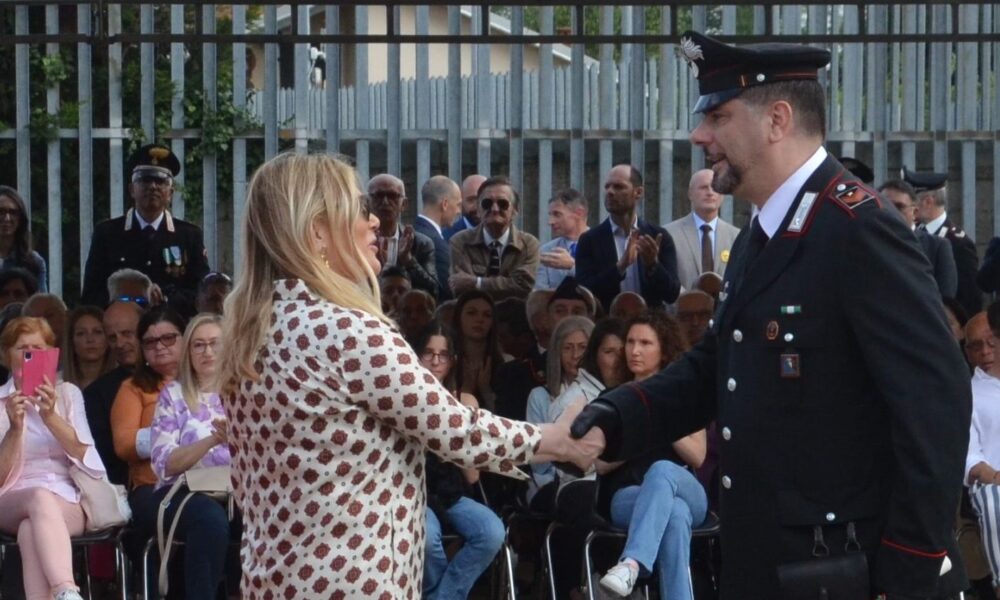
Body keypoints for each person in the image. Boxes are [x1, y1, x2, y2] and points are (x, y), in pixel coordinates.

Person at [571, 31, 971, 600]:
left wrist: (908, 567)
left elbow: (937, 402)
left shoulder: (858, 229)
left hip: (847, 568)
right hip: (770, 563)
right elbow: (718, 368)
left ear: (777, 119)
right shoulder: (767, 229)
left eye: (718, 115)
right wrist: (611, 418)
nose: (699, 135)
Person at [213, 152, 601, 599]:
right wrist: (559, 439)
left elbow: (245, 488)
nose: (376, 221)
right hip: (354, 581)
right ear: (317, 230)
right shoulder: (346, 329)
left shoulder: (246, 331)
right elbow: (456, 429)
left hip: (272, 577)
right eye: (360, 208)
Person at [598, 312, 707, 599]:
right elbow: (597, 464)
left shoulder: (684, 396)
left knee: (661, 469)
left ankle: (631, 562)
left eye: (645, 343)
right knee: (675, 515)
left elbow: (697, 456)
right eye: (630, 342)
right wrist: (633, 429)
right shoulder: (613, 399)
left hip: (686, 489)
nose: (635, 350)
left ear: (664, 349)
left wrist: (660, 418)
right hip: (628, 495)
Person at [0, 317, 107, 600]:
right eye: (22, 349)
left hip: (66, 501)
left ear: (51, 354)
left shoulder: (68, 394)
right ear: (6, 355)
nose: (30, 356)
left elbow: (90, 460)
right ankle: (66, 590)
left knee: (30, 529)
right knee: (38, 498)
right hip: (11, 498)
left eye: (38, 348)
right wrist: (14, 429)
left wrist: (50, 417)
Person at [415, 322, 505, 600]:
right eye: (429, 353)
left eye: (443, 354)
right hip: (415, 494)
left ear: (453, 361)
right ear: (416, 357)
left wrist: (463, 425)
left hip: (452, 492)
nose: (436, 361)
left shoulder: (464, 400)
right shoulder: (402, 398)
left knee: (492, 532)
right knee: (428, 539)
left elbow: (472, 476)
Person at [150, 313, 234, 600]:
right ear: (188, 352)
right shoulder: (173, 395)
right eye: (198, 345)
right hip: (185, 490)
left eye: (214, 343)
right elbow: (166, 464)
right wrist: (213, 440)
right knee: (209, 520)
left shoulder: (246, 391)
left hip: (239, 489)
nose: (207, 351)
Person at [81, 144, 210, 316]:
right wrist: (130, 297)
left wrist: (165, 297)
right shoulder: (107, 234)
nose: (153, 187)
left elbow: (201, 295)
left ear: (170, 193)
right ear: (131, 190)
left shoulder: (188, 235)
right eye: (145, 180)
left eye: (161, 181)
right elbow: (91, 295)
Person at [110, 306, 185, 544]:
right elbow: (123, 445)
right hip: (153, 487)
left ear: (186, 338)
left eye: (168, 338)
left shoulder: (211, 383)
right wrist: (177, 434)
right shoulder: (133, 387)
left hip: (212, 481)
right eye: (150, 342)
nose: (159, 346)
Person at [576, 165, 681, 311]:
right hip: (608, 327)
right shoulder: (589, 240)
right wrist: (620, 267)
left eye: (619, 187)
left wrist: (653, 266)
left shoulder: (658, 237)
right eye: (607, 187)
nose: (610, 192)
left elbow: (672, 294)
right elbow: (584, 292)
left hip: (650, 327)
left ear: (638, 192)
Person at [525, 316, 594, 508]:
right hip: (550, 483)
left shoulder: (604, 392)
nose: (575, 355)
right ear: (557, 353)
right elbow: (538, 461)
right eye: (568, 348)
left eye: (582, 347)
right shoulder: (539, 397)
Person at [904, 166, 981, 315]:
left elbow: (970, 298)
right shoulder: (914, 232)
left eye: (911, 201)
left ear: (927, 201)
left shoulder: (958, 243)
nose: (909, 207)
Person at [449, 176, 540, 301]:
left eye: (503, 203)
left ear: (515, 210)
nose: (495, 209)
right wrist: (508, 284)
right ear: (478, 210)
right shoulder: (460, 242)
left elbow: (523, 287)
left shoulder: (529, 244)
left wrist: (477, 283)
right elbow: (461, 290)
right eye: (487, 203)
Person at [83, 300, 143, 486]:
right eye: (112, 337)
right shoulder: (96, 394)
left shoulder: (176, 378)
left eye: (127, 334)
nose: (120, 343)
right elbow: (104, 460)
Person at [879, 179, 958, 299]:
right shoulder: (867, 241)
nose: (892, 212)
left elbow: (946, 298)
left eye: (899, 207)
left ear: (915, 212)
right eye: (886, 206)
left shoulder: (937, 247)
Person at [964, 334, 1000, 595]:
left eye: (991, 343)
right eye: (976, 346)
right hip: (992, 482)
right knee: (993, 498)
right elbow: (971, 458)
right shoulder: (967, 393)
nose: (985, 352)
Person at [665, 169, 740, 290]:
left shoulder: (736, 236)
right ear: (690, 194)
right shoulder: (670, 234)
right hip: (681, 307)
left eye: (715, 187)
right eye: (703, 187)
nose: (710, 192)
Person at [368, 174, 439, 297]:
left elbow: (434, 291)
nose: (385, 202)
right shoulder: (359, 242)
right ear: (367, 202)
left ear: (404, 204)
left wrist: (408, 260)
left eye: (392, 196)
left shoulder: (421, 243)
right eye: (378, 196)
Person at [451, 290, 507, 411]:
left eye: (487, 315)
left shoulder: (507, 363)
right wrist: (467, 389)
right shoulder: (445, 361)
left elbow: (506, 416)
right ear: (458, 317)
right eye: (471, 313)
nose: (480, 319)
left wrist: (485, 389)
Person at [415, 176, 462, 301]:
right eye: (458, 205)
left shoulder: (412, 232)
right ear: (445, 204)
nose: (459, 211)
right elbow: (445, 292)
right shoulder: (436, 244)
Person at [536, 189, 590, 290]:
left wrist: (572, 266)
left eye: (557, 214)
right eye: (550, 215)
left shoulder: (602, 244)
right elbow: (540, 293)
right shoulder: (546, 251)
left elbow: (603, 284)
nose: (550, 222)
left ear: (579, 213)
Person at [0, 186, 47, 291]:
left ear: (21, 219)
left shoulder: (34, 262)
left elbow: (40, 304)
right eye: (1, 211)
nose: (7, 218)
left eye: (13, 212)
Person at [62, 306, 115, 391]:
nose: (90, 339)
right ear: (71, 341)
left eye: (97, 332)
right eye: (81, 333)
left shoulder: (123, 382)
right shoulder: (56, 383)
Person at [443, 174, 486, 240]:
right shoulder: (447, 237)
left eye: (483, 199)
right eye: (471, 200)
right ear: (461, 202)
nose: (477, 206)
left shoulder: (503, 234)